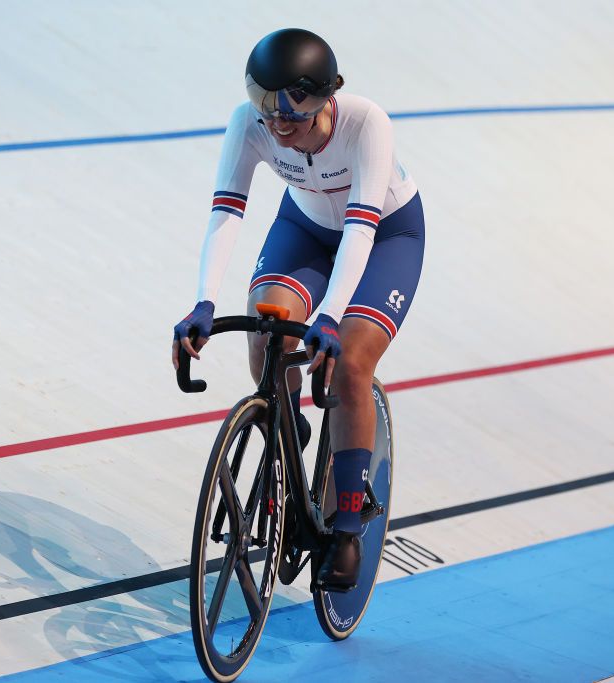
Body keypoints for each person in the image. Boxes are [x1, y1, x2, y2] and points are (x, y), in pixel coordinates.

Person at [172, 28, 425, 589]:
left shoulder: (367, 123)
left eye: (296, 110)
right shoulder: (249, 123)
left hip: (385, 235)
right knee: (266, 322)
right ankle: (287, 430)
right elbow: (226, 211)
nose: (280, 123)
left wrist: (332, 315)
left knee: (352, 363)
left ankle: (349, 524)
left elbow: (361, 227)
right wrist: (203, 302)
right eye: (268, 108)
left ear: (327, 98)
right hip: (306, 228)